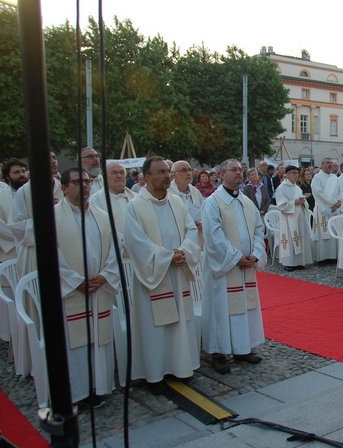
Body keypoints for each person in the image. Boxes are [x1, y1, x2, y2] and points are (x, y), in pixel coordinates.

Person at [123, 156, 201, 394]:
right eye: (161, 172)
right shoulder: (135, 206)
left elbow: (190, 229)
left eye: (168, 172)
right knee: (154, 326)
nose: (167, 176)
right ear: (147, 178)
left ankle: (181, 368)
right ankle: (154, 374)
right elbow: (136, 243)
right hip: (154, 276)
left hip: (177, 274)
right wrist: (168, 257)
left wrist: (184, 252)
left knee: (180, 323)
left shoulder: (177, 202)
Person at [55, 168, 119, 408]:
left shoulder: (103, 216)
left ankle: (100, 386)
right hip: (72, 292)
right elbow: (52, 256)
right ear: (63, 188)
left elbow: (115, 250)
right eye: (76, 182)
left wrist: (104, 276)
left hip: (99, 287)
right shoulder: (52, 217)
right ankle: (77, 392)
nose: (84, 185)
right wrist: (75, 281)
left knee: (99, 339)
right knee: (76, 342)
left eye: (86, 181)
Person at [201, 159, 266, 373]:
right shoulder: (213, 202)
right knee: (221, 309)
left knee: (245, 307)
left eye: (240, 169)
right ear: (221, 175)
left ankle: (242, 348)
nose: (239, 172)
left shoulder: (246, 201)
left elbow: (258, 228)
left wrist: (255, 254)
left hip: (245, 266)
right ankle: (218, 352)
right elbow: (213, 236)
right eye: (234, 170)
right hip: (225, 267)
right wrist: (236, 257)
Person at [0, 158, 28, 343]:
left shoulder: (33, 195)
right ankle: (13, 336)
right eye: (16, 172)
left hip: (30, 253)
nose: (22, 175)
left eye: (23, 171)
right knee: (12, 296)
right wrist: (24, 238)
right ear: (6, 177)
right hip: (10, 253)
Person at [11, 152, 61, 278]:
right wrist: (45, 214)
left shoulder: (63, 188)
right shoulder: (24, 192)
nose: (53, 161)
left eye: (54, 158)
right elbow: (17, 228)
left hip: (63, 251)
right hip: (35, 253)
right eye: (48, 158)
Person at [90, 161, 136, 254]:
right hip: (112, 254)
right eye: (114, 173)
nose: (119, 176)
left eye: (122, 173)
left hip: (137, 252)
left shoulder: (136, 197)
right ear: (105, 177)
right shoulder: (96, 200)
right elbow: (100, 228)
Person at [274, 165, 314, 271]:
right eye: (293, 173)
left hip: (299, 216)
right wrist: (295, 202)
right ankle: (290, 263)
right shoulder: (281, 188)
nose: (296, 175)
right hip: (288, 218)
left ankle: (300, 261)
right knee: (290, 240)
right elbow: (281, 205)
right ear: (287, 175)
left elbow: (303, 203)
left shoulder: (297, 188)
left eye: (297, 173)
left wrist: (303, 202)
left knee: (300, 238)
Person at [310, 158, 342, 263]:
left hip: (334, 210)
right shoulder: (317, 178)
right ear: (322, 164)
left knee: (333, 232)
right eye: (327, 163)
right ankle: (322, 257)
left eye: (331, 163)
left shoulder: (335, 178)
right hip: (322, 209)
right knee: (323, 232)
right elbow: (318, 193)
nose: (330, 165)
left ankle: (333, 256)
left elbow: (341, 192)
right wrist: (333, 203)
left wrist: (338, 203)